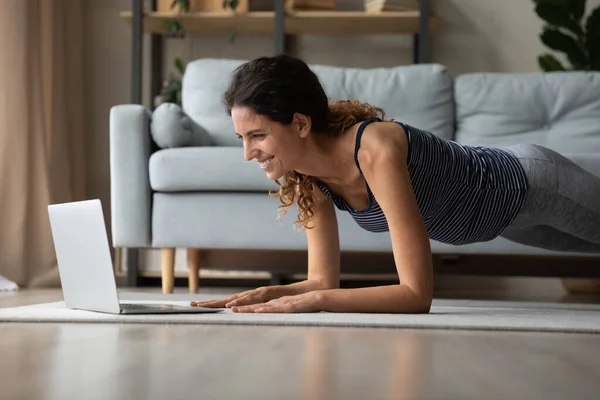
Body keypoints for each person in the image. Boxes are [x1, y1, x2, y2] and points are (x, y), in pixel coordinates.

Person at [190, 54, 600, 314]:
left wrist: (318, 303)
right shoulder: (307, 177)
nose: (248, 153)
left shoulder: (375, 149)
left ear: (300, 123)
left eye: (257, 136)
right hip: (504, 222)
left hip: (534, 184)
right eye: (242, 139)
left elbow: (415, 295)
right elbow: (321, 281)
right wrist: (267, 295)